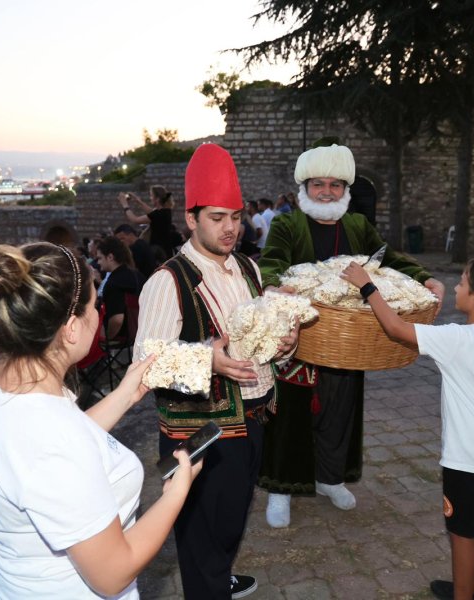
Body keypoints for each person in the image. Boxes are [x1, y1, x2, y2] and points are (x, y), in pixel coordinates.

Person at [0, 241, 200, 599]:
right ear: (71, 327)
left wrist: (123, 396)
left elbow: (52, 449)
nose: (99, 314)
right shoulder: (50, 436)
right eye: (94, 306)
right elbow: (113, 573)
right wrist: (177, 493)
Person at [134, 144, 298, 599]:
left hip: (254, 417)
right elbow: (143, 367)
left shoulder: (248, 267)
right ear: (191, 218)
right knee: (200, 528)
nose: (230, 228)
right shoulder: (168, 281)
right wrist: (209, 360)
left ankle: (217, 576)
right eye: (217, 217)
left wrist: (284, 345)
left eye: (236, 216)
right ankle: (207, 588)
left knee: (231, 518)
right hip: (201, 430)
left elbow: (261, 338)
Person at [257, 144, 444, 528]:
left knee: (341, 412)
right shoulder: (287, 224)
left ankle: (330, 478)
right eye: (319, 184)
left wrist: (425, 277)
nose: (327, 192)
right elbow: (271, 260)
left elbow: (390, 258)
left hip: (347, 339)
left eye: (336, 185)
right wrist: (275, 285)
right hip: (300, 337)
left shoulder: (358, 226)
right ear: (303, 187)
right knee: (291, 415)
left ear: (346, 190)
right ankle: (282, 488)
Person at [341, 257, 474, 600]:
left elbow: (397, 329)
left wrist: (367, 286)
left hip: (466, 455)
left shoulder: (456, 338)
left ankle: (463, 597)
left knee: (460, 532)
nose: (456, 287)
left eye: (462, 283)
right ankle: (473, 589)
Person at [95, 236, 145, 341]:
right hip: (142, 335)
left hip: (123, 340)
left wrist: (107, 339)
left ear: (110, 257)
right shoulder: (138, 275)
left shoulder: (114, 283)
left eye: (100, 258)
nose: (98, 262)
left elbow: (117, 319)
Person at [119, 185, 181, 260]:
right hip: (165, 249)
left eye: (151, 196)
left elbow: (135, 219)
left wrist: (125, 205)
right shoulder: (165, 211)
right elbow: (151, 212)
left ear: (157, 199)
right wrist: (138, 201)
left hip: (159, 250)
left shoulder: (158, 214)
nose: (150, 198)